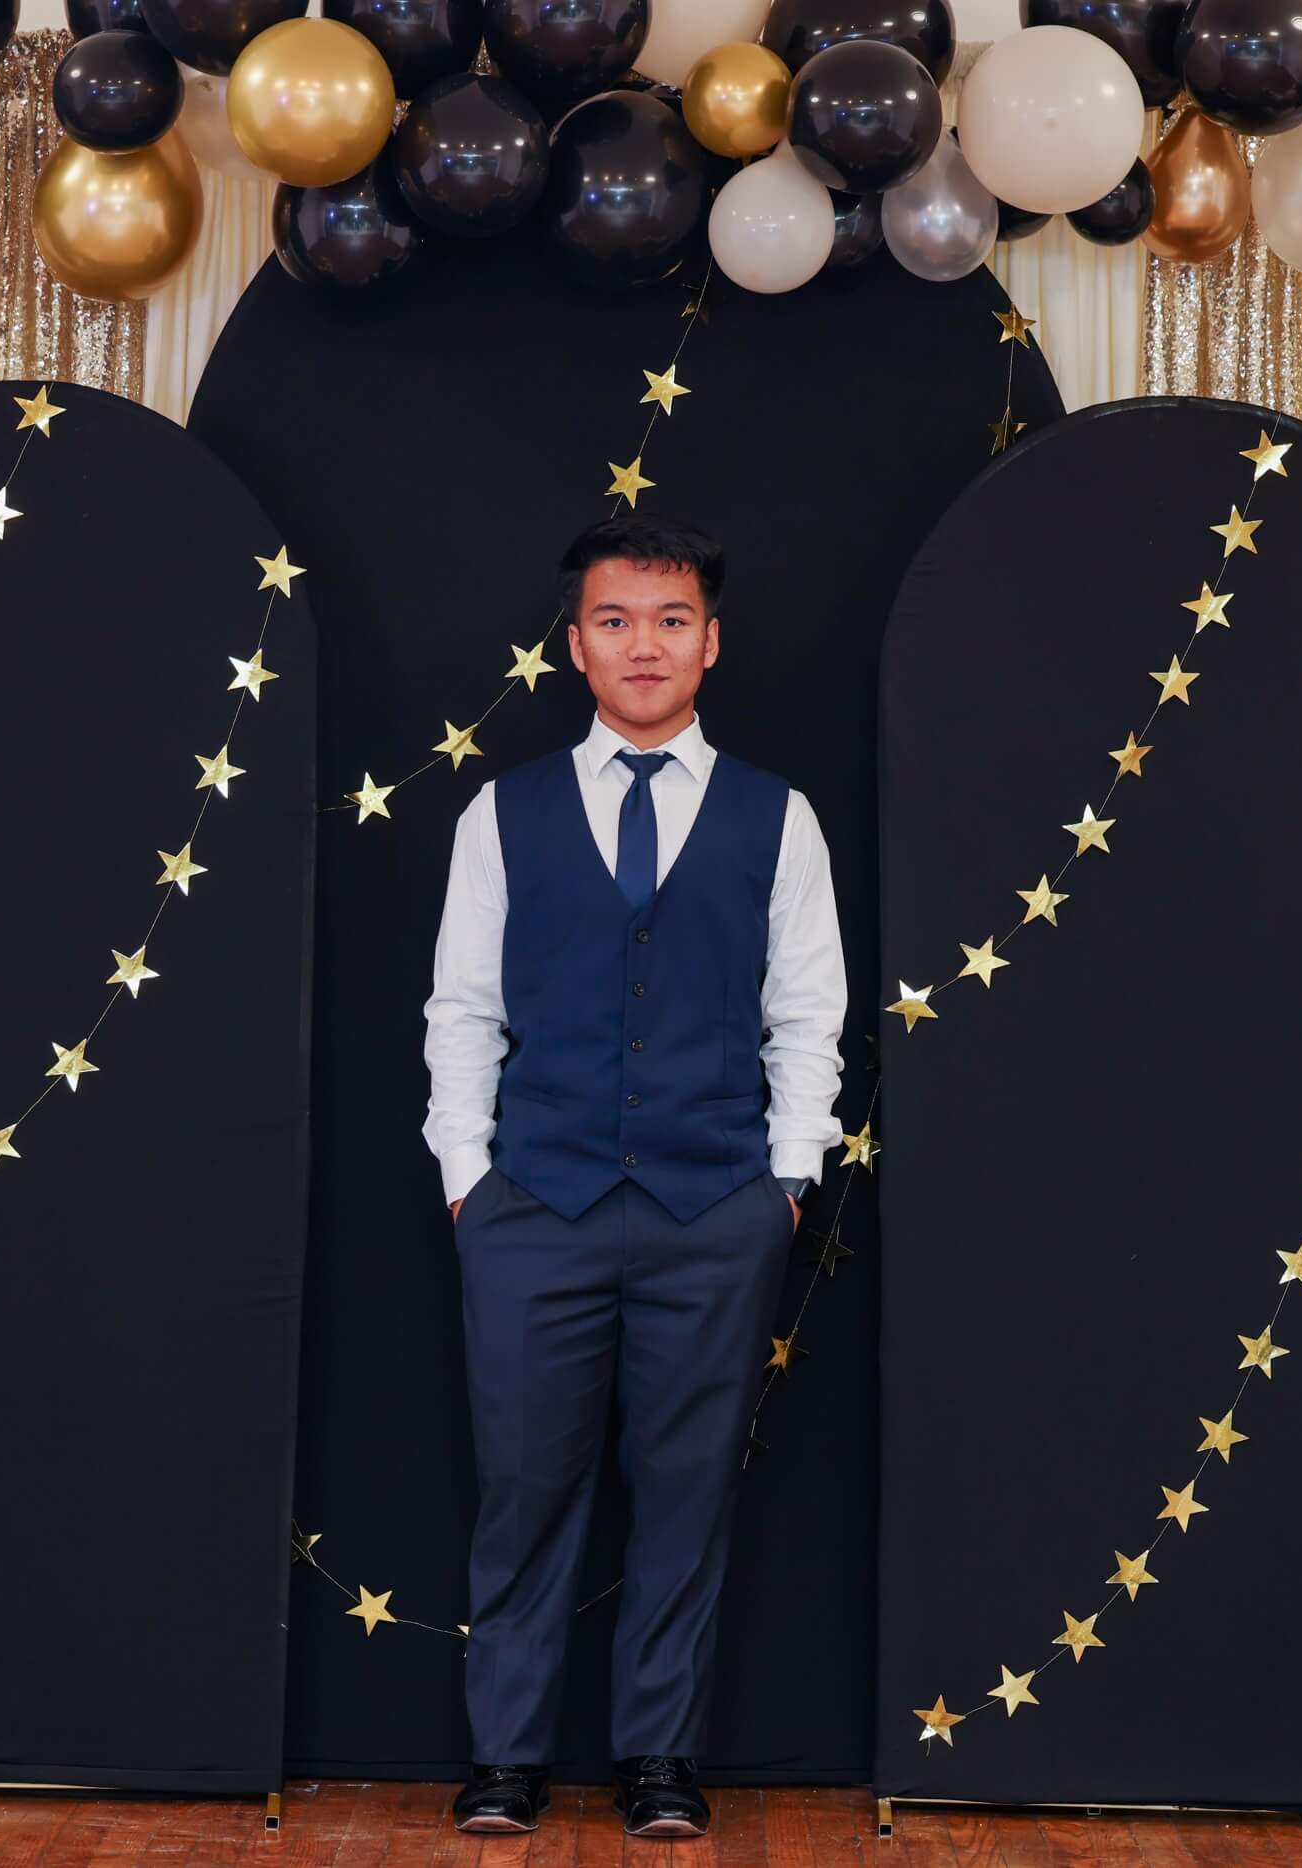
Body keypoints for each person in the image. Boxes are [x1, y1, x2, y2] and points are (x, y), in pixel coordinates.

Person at [420, 515, 847, 1838]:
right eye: (616, 621)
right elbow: (463, 1007)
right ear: (576, 645)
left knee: (686, 1492)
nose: (643, 645)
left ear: (711, 643)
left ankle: (660, 1755)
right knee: (524, 1488)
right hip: (531, 1209)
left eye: (670, 621)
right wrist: (468, 1178)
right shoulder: (503, 812)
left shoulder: (779, 816)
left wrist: (784, 1180)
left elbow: (806, 1014)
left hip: (714, 1211)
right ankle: (507, 1757)